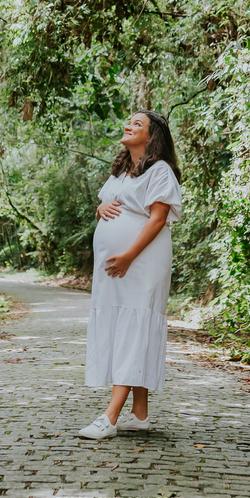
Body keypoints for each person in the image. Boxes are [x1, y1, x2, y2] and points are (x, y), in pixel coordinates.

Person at [78, 110, 182, 440]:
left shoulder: (161, 171)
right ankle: (139, 415)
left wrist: (127, 256)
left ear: (152, 137)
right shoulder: (124, 170)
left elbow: (157, 218)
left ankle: (109, 417)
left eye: (138, 124)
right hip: (117, 268)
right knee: (126, 325)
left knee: (134, 327)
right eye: (130, 121)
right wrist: (100, 209)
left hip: (141, 263)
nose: (129, 125)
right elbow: (111, 202)